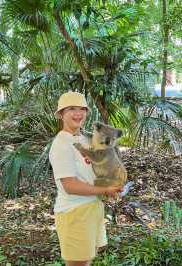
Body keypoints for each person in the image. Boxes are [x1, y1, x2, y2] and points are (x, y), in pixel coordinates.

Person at [49, 91, 123, 266]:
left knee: (87, 261)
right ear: (61, 114)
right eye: (72, 109)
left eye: (82, 109)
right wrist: (105, 190)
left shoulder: (84, 138)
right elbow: (70, 186)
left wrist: (111, 186)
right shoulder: (62, 144)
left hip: (93, 208)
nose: (78, 113)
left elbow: (94, 168)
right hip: (74, 213)